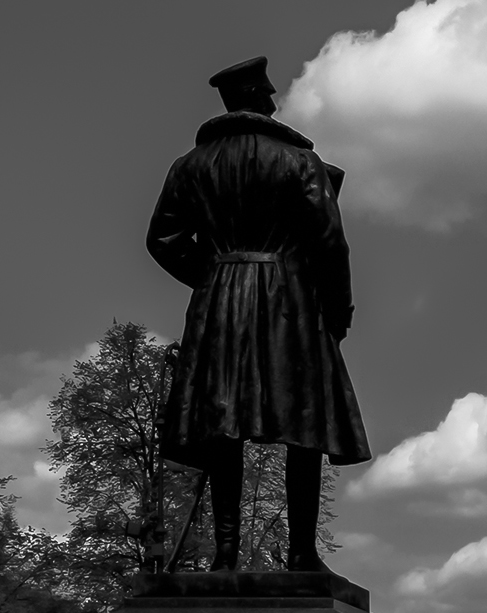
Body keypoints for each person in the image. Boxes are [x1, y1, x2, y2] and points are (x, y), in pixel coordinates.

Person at [147, 56, 370, 572]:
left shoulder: (189, 166)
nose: (273, 100)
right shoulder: (298, 162)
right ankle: (301, 553)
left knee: (222, 424)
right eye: (267, 92)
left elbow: (162, 240)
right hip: (289, 300)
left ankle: (225, 554)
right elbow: (331, 243)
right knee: (305, 425)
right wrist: (336, 310)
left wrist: (212, 277)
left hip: (219, 301)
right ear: (253, 95)